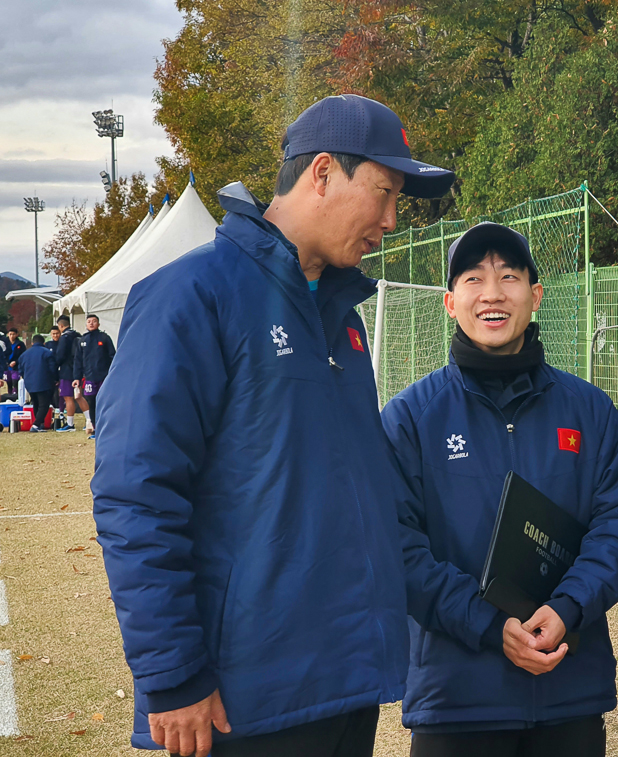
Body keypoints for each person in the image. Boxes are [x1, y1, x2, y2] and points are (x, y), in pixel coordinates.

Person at [92, 94, 455, 757]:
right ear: (321, 172)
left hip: (344, 684)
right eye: (383, 192)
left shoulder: (343, 318)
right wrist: (172, 675)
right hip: (242, 704)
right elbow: (135, 494)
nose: (391, 219)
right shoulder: (191, 295)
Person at [381, 222, 618, 757]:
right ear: (449, 301)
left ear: (535, 295)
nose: (492, 293)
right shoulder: (411, 418)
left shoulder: (589, 410)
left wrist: (569, 607)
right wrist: (489, 625)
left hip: (568, 694)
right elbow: (396, 545)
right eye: (474, 278)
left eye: (508, 276)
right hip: (457, 701)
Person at [72, 314, 115, 439]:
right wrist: (77, 378)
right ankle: (95, 428)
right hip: (89, 378)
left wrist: (112, 374)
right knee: (91, 401)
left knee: (105, 402)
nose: (91, 323)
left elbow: (113, 356)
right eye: (89, 321)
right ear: (86, 324)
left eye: (94, 321)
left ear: (99, 324)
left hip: (104, 377)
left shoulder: (105, 338)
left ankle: (107, 428)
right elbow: (77, 361)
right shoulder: (82, 340)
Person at [17, 334, 57, 431]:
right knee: (44, 404)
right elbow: (52, 368)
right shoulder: (47, 353)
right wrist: (55, 379)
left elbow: (20, 370)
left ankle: (40, 424)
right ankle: (36, 424)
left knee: (35, 403)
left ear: (32, 343)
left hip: (29, 382)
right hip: (43, 381)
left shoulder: (24, 354)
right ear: (43, 343)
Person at [54, 315, 84, 432]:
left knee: (68, 397)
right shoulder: (77, 335)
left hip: (67, 371)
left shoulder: (65, 337)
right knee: (79, 396)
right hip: (77, 369)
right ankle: (89, 420)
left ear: (60, 326)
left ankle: (70, 424)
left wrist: (56, 364)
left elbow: (60, 356)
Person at [4, 327, 26, 395]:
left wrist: (16, 362)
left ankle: (15, 395)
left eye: (13, 334)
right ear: (8, 334)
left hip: (16, 367)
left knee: (15, 382)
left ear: (17, 335)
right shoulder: (5, 344)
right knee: (9, 383)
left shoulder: (20, 344)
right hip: (7, 367)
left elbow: (23, 355)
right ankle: (9, 395)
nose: (12, 336)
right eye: (10, 334)